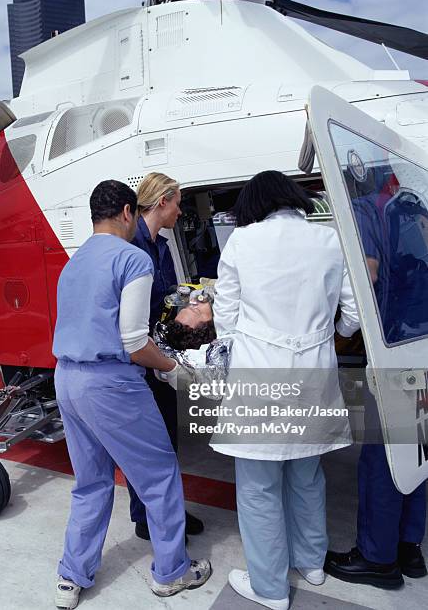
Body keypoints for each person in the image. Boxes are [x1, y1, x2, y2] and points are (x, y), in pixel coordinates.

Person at [52, 180, 211, 609]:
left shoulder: (74, 260)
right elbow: (135, 343)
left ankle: (72, 578)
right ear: (127, 211)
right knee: (159, 475)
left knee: (91, 483)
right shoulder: (133, 258)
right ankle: (172, 572)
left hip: (66, 378)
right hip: (110, 383)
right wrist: (176, 369)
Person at [209, 171, 360, 610]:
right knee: (307, 474)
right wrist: (319, 333)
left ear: (254, 203)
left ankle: (270, 587)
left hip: (259, 373)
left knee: (258, 485)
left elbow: (226, 316)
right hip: (315, 374)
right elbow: (351, 316)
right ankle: (312, 562)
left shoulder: (242, 241)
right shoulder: (329, 240)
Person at [324, 164, 427, 588]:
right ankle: (409, 547)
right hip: (420, 342)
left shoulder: (364, 211)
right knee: (416, 448)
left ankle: (377, 558)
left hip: (392, 347)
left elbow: (367, 270)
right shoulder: (414, 211)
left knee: (382, 457)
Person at [126, 172, 204, 541]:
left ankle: (166, 512)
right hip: (136, 358)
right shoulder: (132, 245)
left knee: (167, 440)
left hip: (159, 350)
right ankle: (148, 520)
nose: (180, 210)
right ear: (162, 202)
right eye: (178, 202)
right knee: (147, 446)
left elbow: (165, 299)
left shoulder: (160, 244)